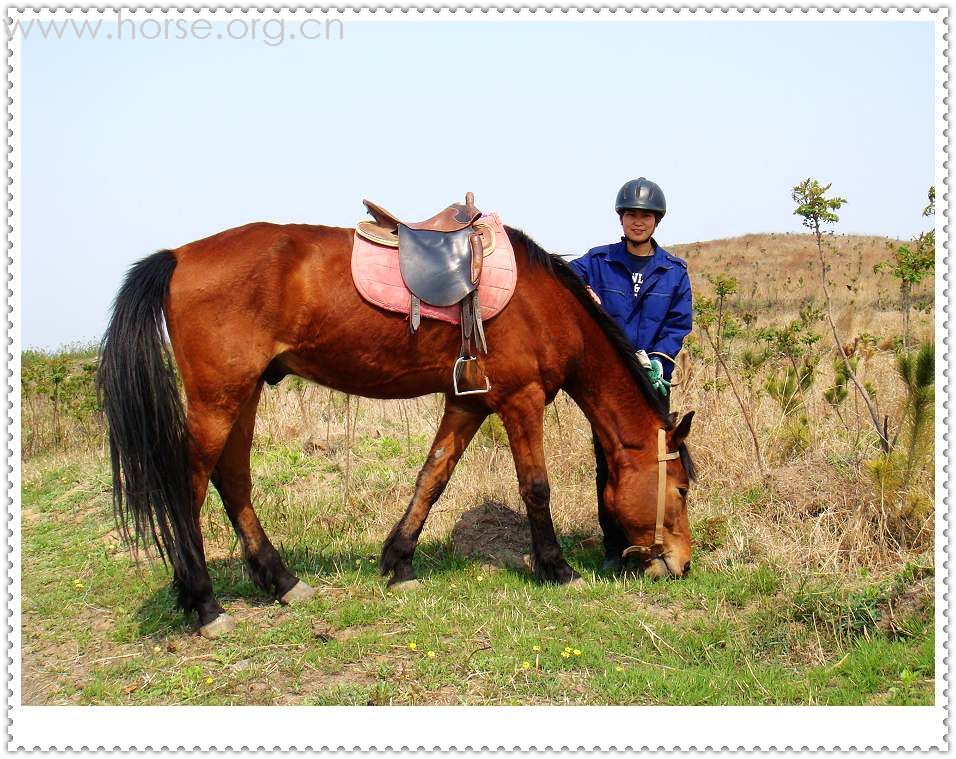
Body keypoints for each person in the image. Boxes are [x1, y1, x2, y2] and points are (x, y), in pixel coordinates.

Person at [569, 177, 692, 571]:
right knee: (609, 463)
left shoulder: (673, 272)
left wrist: (660, 361)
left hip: (652, 385)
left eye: (646, 216)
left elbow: (678, 324)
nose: (638, 222)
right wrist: (580, 291)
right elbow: (561, 280)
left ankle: (657, 540)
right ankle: (613, 548)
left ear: (656, 221)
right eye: (631, 215)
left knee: (656, 468)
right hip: (609, 389)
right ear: (621, 219)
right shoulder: (597, 262)